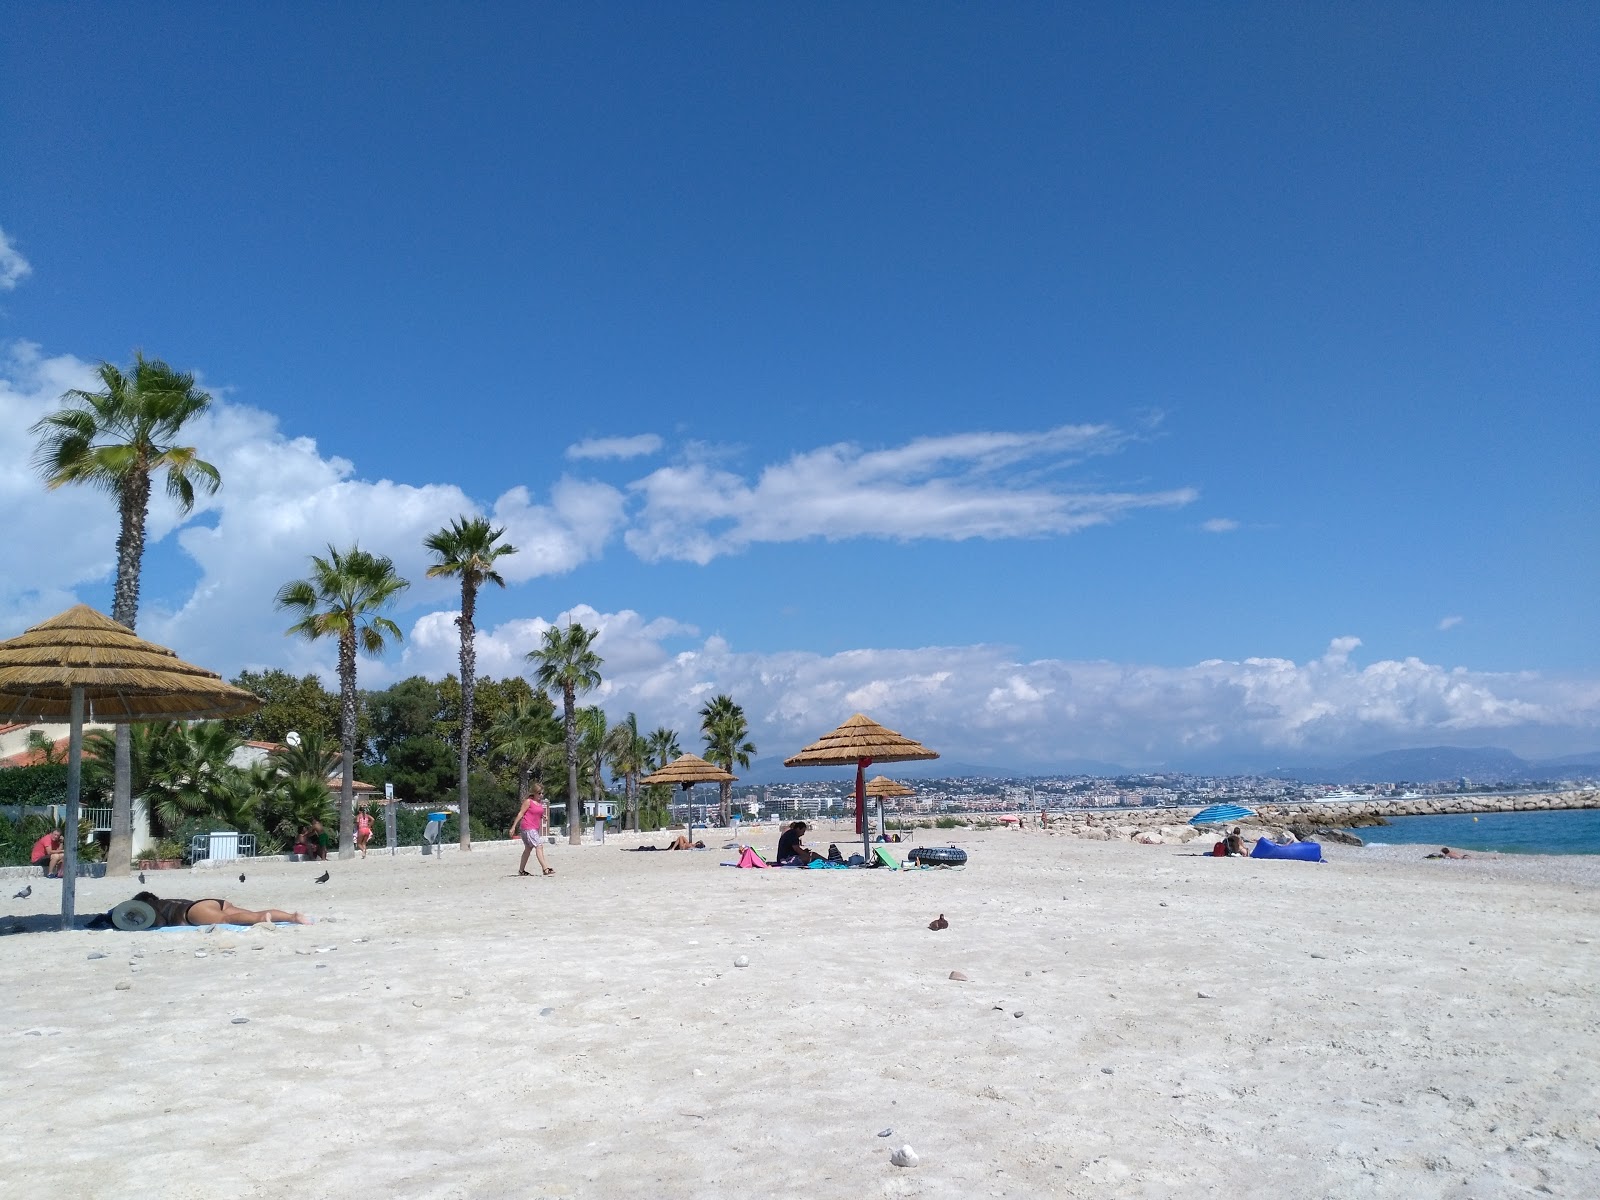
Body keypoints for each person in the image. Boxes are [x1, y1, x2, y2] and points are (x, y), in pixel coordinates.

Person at [130, 891, 312, 927]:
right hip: (209, 902)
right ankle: (292, 917)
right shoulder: (167, 901)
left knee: (229, 920)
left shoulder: (151, 908)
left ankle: (287, 918)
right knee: (250, 914)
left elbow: (160, 923)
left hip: (191, 913)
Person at [509, 785, 553, 877]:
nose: (541, 795)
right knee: (539, 845)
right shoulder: (528, 802)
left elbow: (536, 813)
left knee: (528, 849)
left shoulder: (539, 803)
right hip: (527, 827)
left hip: (534, 828)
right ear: (534, 793)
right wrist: (513, 827)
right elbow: (521, 813)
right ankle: (545, 868)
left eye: (542, 793)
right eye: (539, 793)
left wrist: (543, 816)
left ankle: (521, 870)